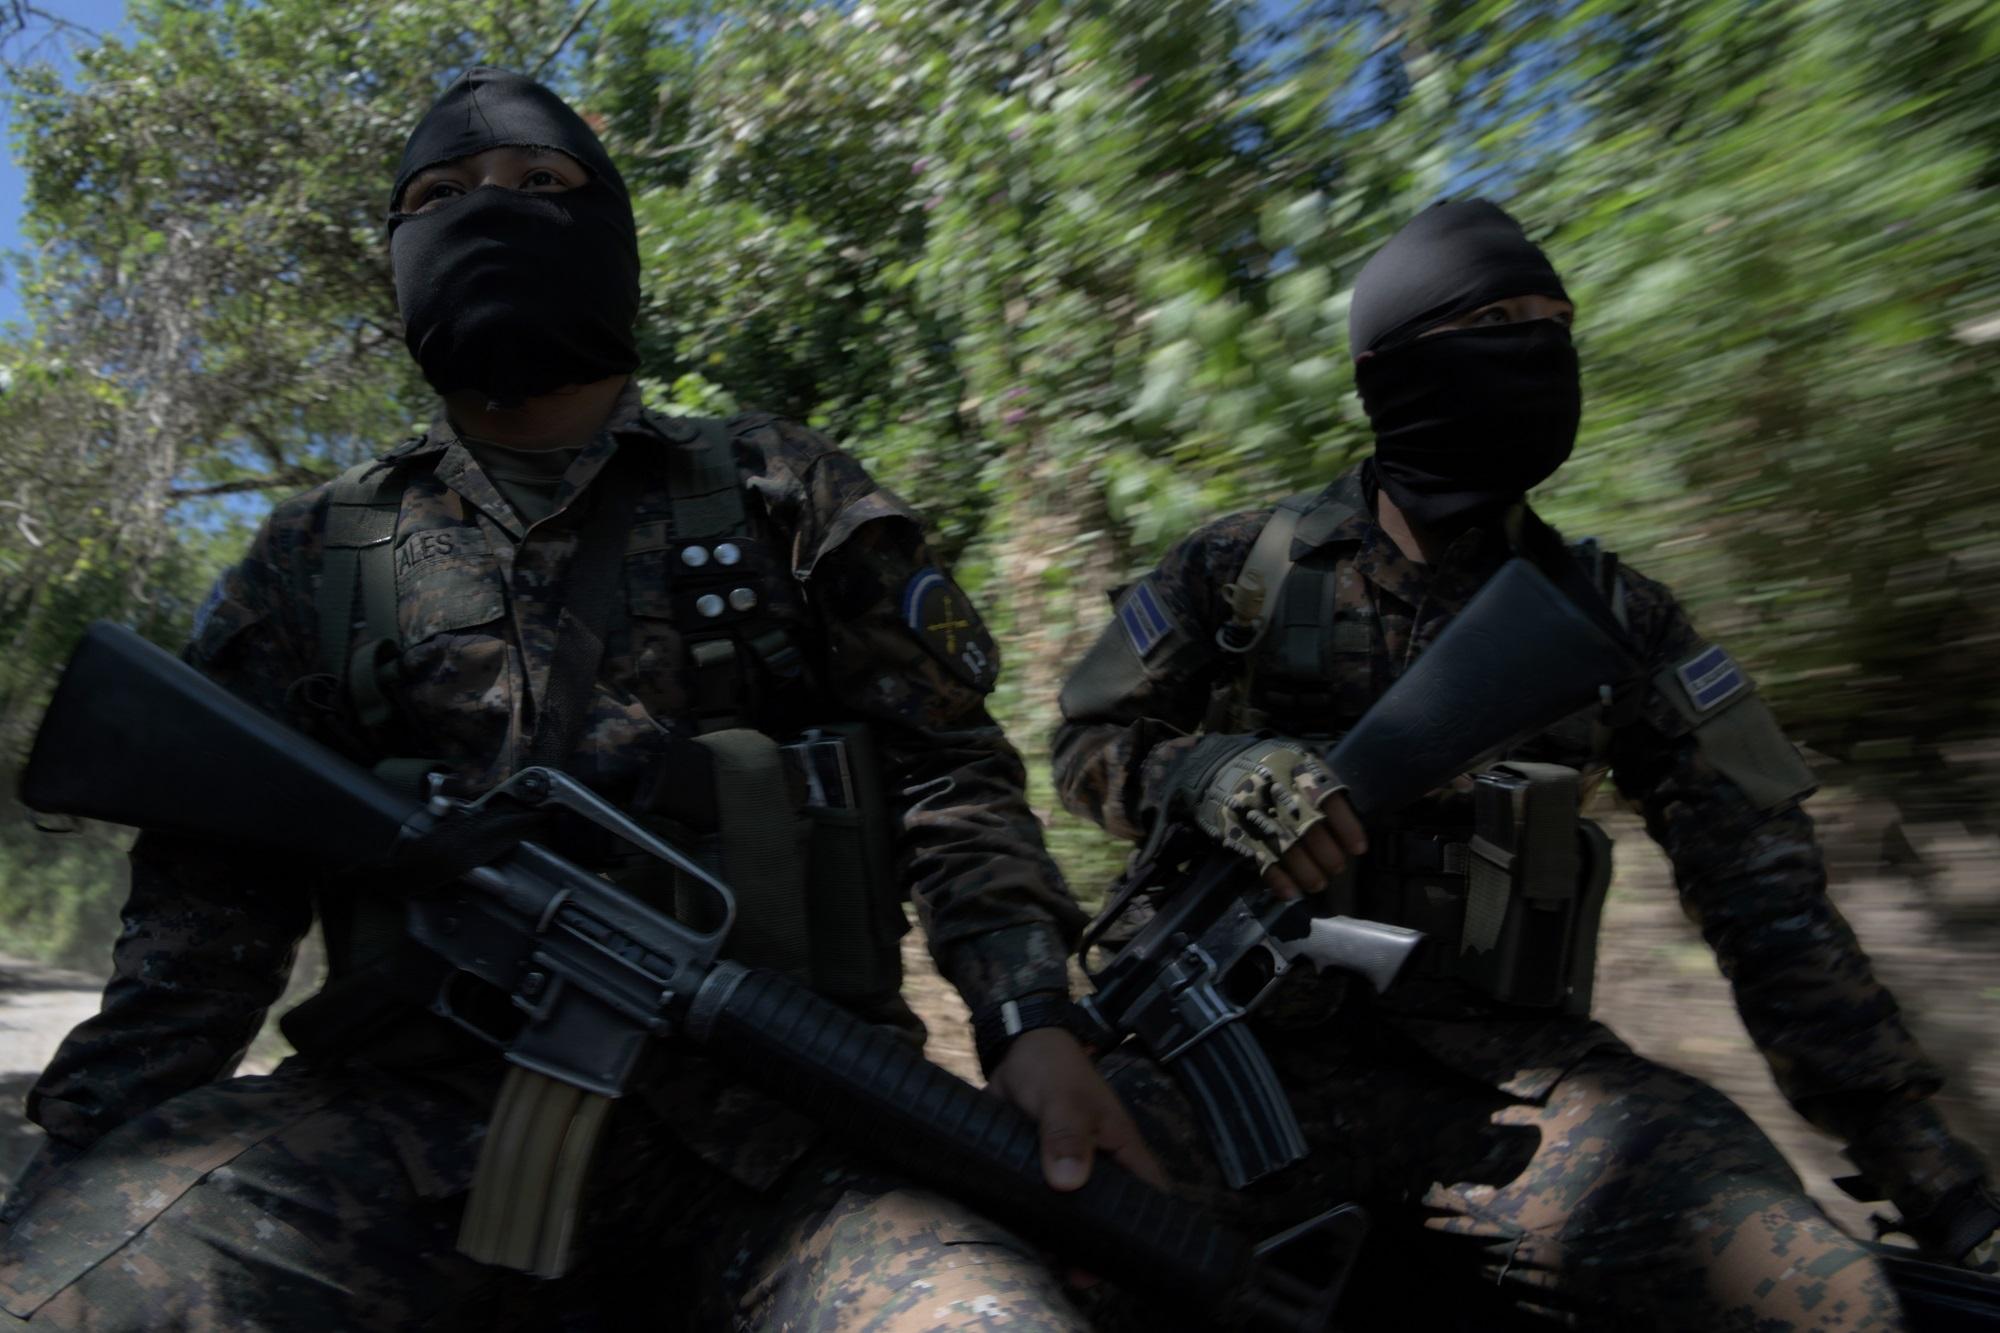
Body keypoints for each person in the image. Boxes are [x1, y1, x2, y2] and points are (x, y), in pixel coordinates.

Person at [0, 67, 1155, 1331]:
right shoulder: (320, 556)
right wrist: (78, 1158)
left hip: (797, 1140)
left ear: (608, 234)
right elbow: (206, 916)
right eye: (439, 196)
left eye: (538, 187)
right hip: (414, 1138)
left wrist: (1028, 1017)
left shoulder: (778, 487)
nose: (486, 210)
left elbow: (945, 773)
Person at [1052, 198, 1998, 1330]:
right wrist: (1198, 773)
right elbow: (1086, 741)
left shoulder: (1613, 622)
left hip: (1516, 1086)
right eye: (1497, 317)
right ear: (1392, 364)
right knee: (1036, 1251)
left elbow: (1769, 907)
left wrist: (1934, 1183)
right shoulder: (1236, 567)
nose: (1539, 347)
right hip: (1222, 1055)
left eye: (1555, 320)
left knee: (1825, 1293)